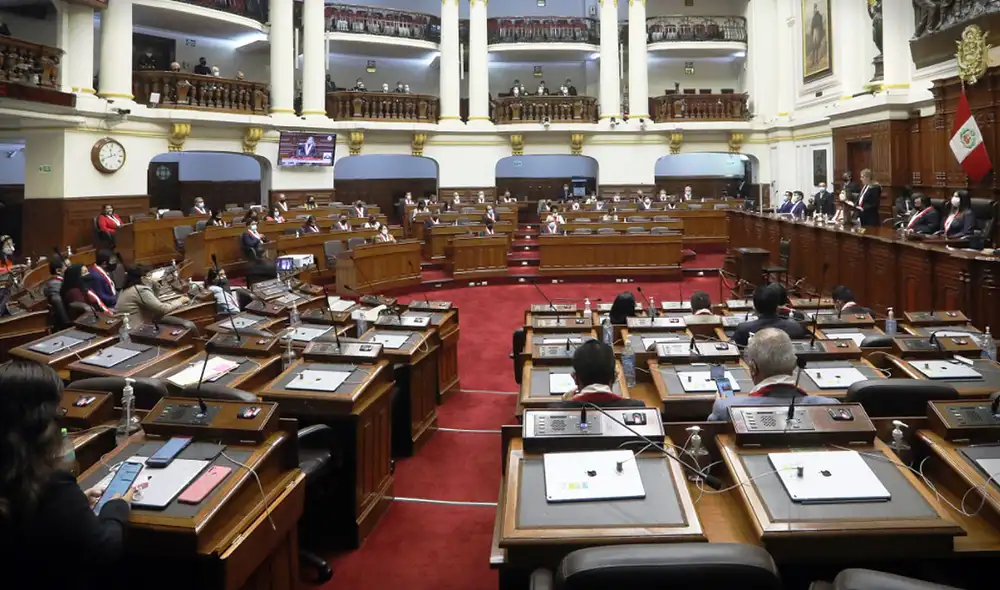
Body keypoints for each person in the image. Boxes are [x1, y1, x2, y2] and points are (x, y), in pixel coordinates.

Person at [0, 361, 133, 590]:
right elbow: (102, 548)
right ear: (41, 422)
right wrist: (117, 508)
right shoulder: (48, 482)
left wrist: (75, 502)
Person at [707, 328, 839, 421]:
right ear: (794, 364)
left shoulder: (726, 409)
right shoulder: (831, 407)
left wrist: (723, 401)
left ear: (753, 368)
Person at [555, 341, 645, 407]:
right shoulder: (637, 408)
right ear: (615, 376)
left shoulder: (558, 411)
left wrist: (565, 404)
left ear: (575, 378)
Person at [731, 284, 809, 347]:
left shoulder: (744, 329)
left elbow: (733, 349)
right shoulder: (795, 327)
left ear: (755, 309)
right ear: (777, 308)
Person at [115, 265, 188, 327]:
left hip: (129, 325)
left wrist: (155, 287)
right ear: (142, 278)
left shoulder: (127, 288)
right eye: (148, 276)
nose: (150, 278)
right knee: (188, 324)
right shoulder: (140, 289)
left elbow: (151, 303)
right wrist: (181, 300)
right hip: (138, 328)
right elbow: (162, 309)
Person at [43, 253, 71, 330]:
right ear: (58, 271)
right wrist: (68, 323)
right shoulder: (55, 284)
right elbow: (56, 300)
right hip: (62, 327)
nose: (71, 268)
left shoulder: (59, 281)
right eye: (67, 266)